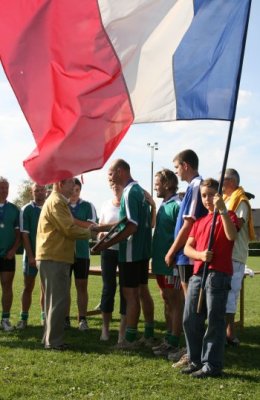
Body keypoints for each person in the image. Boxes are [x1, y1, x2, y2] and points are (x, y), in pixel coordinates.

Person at [92, 159, 155, 349]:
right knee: (142, 291)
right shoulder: (141, 192)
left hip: (130, 253)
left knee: (130, 295)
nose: (109, 178)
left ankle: (129, 339)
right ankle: (148, 333)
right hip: (143, 252)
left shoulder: (129, 192)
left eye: (110, 173)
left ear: (120, 171)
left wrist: (106, 244)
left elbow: (130, 226)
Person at [182, 178, 238, 378]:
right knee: (190, 318)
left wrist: (222, 210)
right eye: (204, 195)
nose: (207, 199)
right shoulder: (199, 222)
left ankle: (212, 365)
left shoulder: (229, 215)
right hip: (198, 274)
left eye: (211, 195)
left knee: (215, 319)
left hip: (218, 274)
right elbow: (188, 247)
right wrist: (200, 255)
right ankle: (195, 359)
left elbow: (232, 236)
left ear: (220, 196)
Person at [36, 178, 94, 350]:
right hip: (55, 257)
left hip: (52, 256)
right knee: (58, 301)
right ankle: (54, 342)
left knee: (52, 301)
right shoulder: (57, 202)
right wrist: (90, 233)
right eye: (70, 184)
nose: (73, 187)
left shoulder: (57, 201)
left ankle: (49, 339)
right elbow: (69, 229)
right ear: (61, 184)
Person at [165, 149, 207, 366]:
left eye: (177, 167)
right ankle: (191, 349)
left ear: (186, 165)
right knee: (190, 304)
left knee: (192, 306)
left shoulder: (196, 185)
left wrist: (172, 250)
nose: (177, 172)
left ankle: (193, 353)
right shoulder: (194, 187)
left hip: (188, 255)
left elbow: (189, 222)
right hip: (185, 254)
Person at [150, 169, 184, 358]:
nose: (155, 186)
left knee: (175, 301)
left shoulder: (177, 205)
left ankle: (174, 341)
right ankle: (168, 338)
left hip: (173, 264)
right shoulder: (163, 204)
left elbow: (183, 234)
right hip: (161, 264)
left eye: (158, 183)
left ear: (168, 184)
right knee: (166, 299)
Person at [222, 169, 255, 345]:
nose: (220, 182)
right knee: (224, 295)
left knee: (231, 294)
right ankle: (224, 332)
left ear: (232, 181)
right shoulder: (225, 201)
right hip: (224, 255)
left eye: (223, 179)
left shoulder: (241, 202)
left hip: (234, 256)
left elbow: (235, 229)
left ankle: (229, 333)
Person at [66, 178, 97, 331]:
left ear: (80, 190)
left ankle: (82, 319)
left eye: (77, 190)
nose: (74, 193)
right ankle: (65, 319)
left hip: (82, 254)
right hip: (63, 253)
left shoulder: (88, 206)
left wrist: (73, 220)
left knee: (81, 287)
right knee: (64, 288)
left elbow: (93, 227)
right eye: (72, 190)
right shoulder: (61, 205)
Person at [98, 183, 127, 342]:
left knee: (125, 290)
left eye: (119, 184)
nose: (116, 187)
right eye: (113, 185)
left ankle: (122, 332)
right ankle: (105, 329)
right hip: (107, 252)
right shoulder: (105, 205)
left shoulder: (128, 205)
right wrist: (99, 237)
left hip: (124, 251)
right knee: (108, 288)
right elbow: (100, 230)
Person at [17, 183, 46, 329]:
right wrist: (30, 256)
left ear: (46, 191)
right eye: (36, 190)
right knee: (28, 287)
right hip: (31, 256)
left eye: (42, 190)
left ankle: (44, 317)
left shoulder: (51, 207)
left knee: (45, 288)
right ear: (32, 192)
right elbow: (25, 235)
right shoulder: (26, 209)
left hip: (47, 255)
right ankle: (23, 318)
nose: (40, 193)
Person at [0, 177, 21, 331]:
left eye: (6, 188)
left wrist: (13, 250)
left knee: (7, 286)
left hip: (7, 255)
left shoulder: (14, 209)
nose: (4, 191)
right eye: (1, 188)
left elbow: (18, 234)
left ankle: (5, 319)